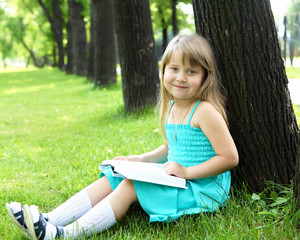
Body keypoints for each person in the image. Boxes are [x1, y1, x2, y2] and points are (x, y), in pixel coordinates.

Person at [6, 33, 239, 240]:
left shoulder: (205, 111)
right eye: (174, 69)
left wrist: (187, 172)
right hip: (178, 178)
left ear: (205, 76)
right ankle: (49, 219)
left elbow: (229, 158)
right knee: (113, 175)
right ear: (164, 70)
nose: (181, 78)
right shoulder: (173, 107)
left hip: (202, 187)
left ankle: (64, 235)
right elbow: (172, 148)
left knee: (130, 185)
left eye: (191, 71)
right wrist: (140, 160)